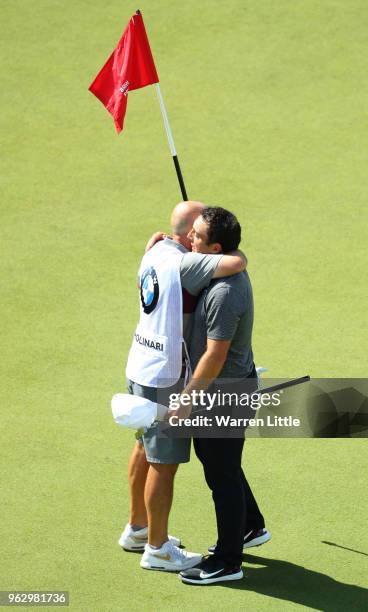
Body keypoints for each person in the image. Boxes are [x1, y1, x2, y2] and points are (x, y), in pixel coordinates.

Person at [118, 201, 248, 572]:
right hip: (165, 375)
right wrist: (226, 242)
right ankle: (157, 548)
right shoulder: (189, 263)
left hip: (140, 361)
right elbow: (236, 263)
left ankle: (138, 528)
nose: (196, 236)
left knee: (144, 445)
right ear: (190, 235)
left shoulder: (157, 249)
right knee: (164, 461)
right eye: (197, 229)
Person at [168, 207, 270, 585]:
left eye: (195, 237)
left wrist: (187, 399)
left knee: (221, 473)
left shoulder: (226, 291)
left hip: (224, 393)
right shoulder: (218, 267)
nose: (188, 241)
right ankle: (250, 525)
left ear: (215, 247)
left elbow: (215, 354)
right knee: (221, 461)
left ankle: (229, 560)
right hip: (225, 387)